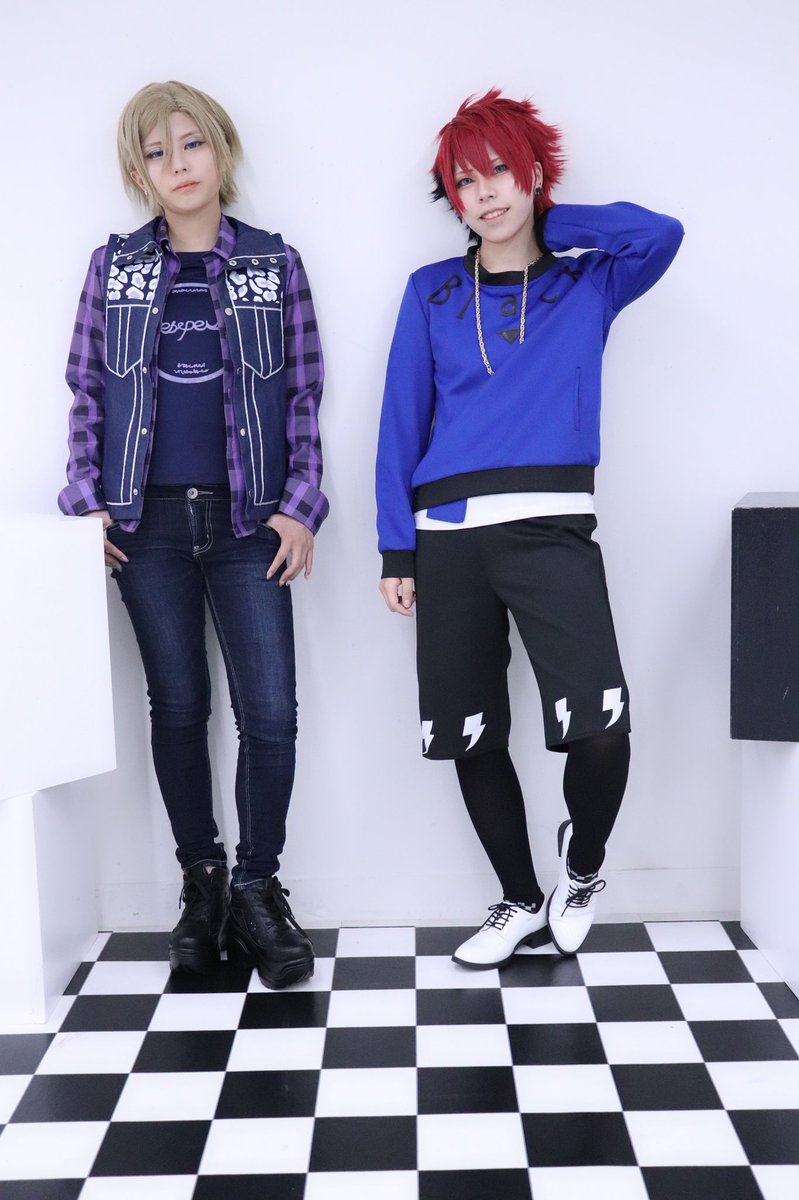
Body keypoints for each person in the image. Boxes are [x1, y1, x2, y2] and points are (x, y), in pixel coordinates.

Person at [376, 89, 682, 965]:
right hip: (447, 536)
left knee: (601, 728)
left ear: (534, 172)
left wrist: (549, 216)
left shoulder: (589, 281)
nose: (484, 193)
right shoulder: (430, 292)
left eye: (500, 171)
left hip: (551, 530)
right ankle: (516, 900)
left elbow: (659, 233)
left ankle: (579, 868)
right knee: (467, 732)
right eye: (464, 181)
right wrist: (397, 547)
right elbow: (400, 423)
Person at [58, 81, 328, 990]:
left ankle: (256, 888)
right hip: (148, 526)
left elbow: (303, 394)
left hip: (252, 522)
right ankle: (201, 883)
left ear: (222, 150)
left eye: (192, 144)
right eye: (156, 152)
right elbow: (87, 392)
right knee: (177, 707)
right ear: (138, 174)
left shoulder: (272, 265)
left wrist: (300, 504)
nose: (177, 164)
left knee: (271, 714)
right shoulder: (116, 269)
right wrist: (86, 499)